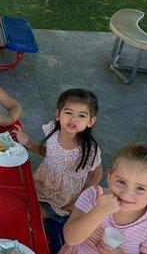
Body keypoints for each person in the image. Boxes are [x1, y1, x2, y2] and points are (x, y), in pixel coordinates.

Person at [14, 88, 102, 224]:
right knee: (14, 202)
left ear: (91, 121)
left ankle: (56, 218)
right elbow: (49, 152)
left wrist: (79, 200)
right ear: (58, 115)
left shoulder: (89, 149)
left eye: (82, 115)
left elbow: (97, 174)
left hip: (63, 198)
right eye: (68, 112)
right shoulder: (53, 131)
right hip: (41, 183)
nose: (73, 119)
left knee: (29, 216)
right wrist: (28, 144)